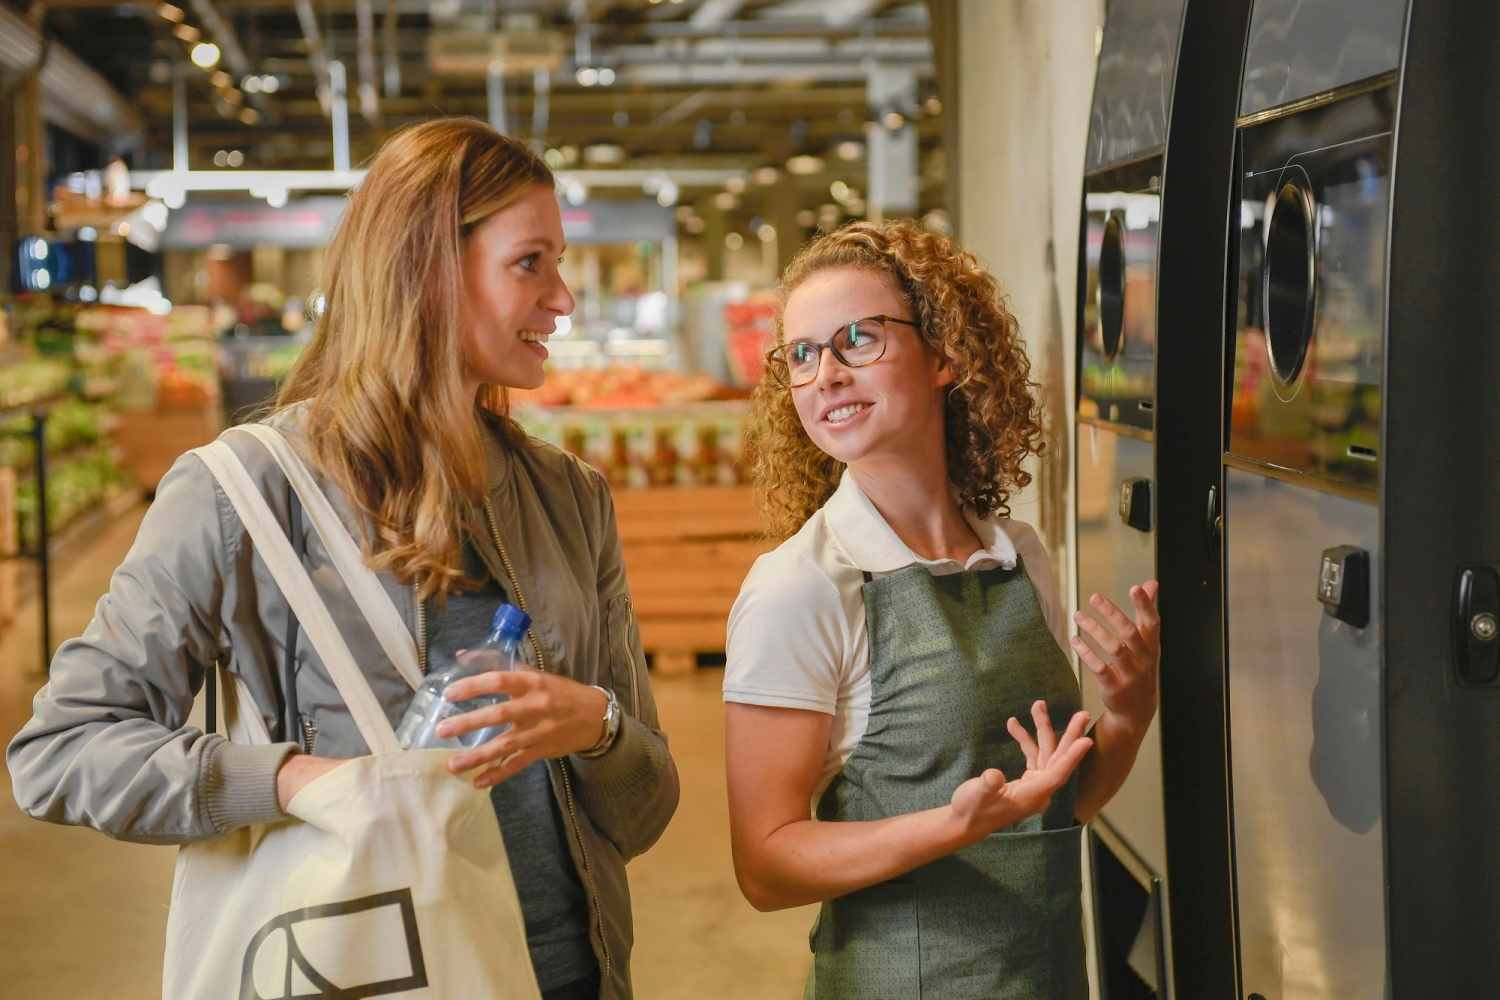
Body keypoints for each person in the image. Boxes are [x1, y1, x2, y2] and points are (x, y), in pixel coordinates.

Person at [7, 118, 679, 1000]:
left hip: (569, 975)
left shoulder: (570, 498)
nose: (564, 299)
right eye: (532, 264)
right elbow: (60, 751)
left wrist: (594, 726)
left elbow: (646, 807)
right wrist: (288, 779)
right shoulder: (241, 495)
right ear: (430, 270)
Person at [723, 220, 1160, 997]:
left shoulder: (1021, 555)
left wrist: (1127, 713)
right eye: (802, 353)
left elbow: (1056, 811)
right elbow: (765, 864)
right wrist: (952, 827)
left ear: (947, 355)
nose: (825, 373)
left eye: (858, 339)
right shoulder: (802, 587)